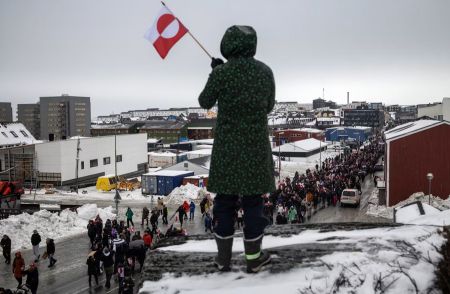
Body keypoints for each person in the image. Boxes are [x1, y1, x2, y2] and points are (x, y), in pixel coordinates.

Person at [199, 25, 275, 273]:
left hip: (227, 148)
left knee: (224, 201)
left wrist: (217, 73)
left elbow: (204, 101)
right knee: (254, 202)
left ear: (227, 44)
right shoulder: (265, 72)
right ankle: (253, 258)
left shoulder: (223, 73)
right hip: (255, 147)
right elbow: (269, 106)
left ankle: (223, 259)